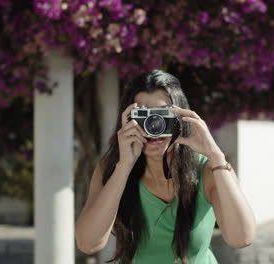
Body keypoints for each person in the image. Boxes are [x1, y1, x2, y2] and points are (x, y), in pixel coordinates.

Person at [75, 69, 256, 264]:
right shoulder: (113, 168)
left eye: (162, 114)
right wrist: (124, 166)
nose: (154, 125)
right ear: (128, 119)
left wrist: (215, 155)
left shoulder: (209, 170)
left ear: (180, 117)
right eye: (144, 115)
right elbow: (88, 244)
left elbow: (242, 238)